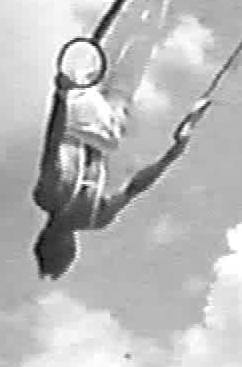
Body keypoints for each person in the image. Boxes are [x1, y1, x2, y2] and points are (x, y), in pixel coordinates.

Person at [32, 71, 212, 281]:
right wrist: (61, 96)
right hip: (96, 119)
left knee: (116, 74)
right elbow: (134, 188)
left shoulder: (61, 203)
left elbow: (135, 187)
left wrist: (171, 155)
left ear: (65, 246)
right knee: (121, 73)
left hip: (88, 117)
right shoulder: (90, 216)